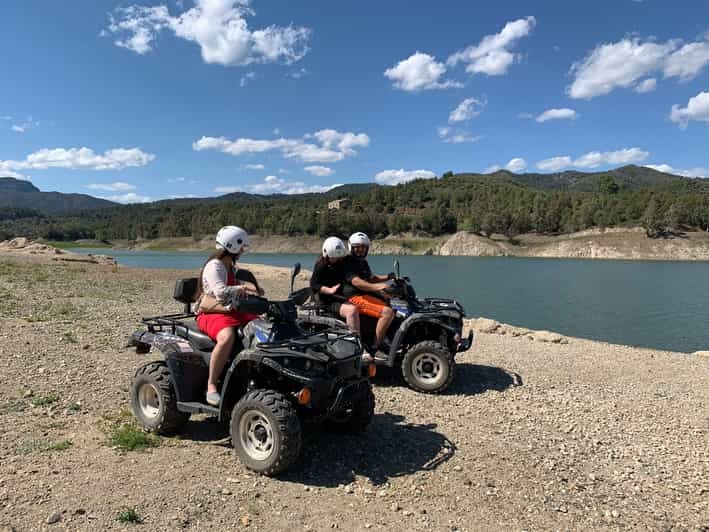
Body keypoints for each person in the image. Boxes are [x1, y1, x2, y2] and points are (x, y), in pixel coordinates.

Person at [196, 226, 260, 406]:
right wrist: (243, 288)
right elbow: (221, 292)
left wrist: (251, 289)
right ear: (232, 246)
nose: (242, 251)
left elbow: (234, 284)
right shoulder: (214, 265)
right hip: (212, 312)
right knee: (226, 337)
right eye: (241, 247)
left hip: (231, 309)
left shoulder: (229, 264)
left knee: (261, 327)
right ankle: (211, 385)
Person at [343, 232, 395, 358]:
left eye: (363, 247)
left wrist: (389, 277)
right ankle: (375, 347)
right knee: (387, 313)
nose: (360, 250)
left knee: (388, 301)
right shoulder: (348, 262)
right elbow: (357, 282)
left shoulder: (363, 262)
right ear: (351, 247)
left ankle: (380, 336)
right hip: (353, 297)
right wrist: (379, 287)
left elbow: (371, 278)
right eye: (357, 247)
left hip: (363, 295)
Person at [310, 237, 360, 333]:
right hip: (327, 301)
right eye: (333, 257)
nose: (336, 259)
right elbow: (314, 285)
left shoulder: (340, 262)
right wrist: (329, 290)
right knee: (352, 310)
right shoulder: (321, 265)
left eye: (338, 257)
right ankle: (354, 338)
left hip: (340, 297)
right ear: (327, 254)